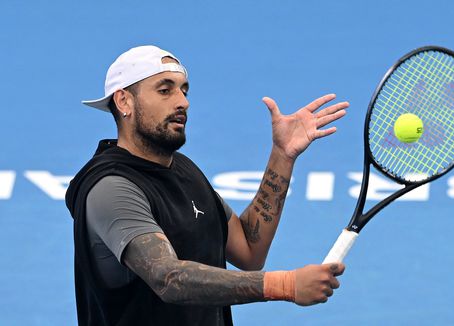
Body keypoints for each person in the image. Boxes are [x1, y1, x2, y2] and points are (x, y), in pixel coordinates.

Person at [65, 45, 349, 326]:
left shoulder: (185, 170)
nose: (182, 102)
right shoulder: (111, 187)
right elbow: (168, 279)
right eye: (165, 90)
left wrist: (282, 155)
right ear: (124, 101)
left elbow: (250, 251)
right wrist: (285, 284)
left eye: (184, 90)